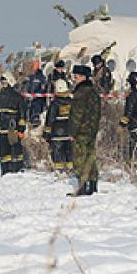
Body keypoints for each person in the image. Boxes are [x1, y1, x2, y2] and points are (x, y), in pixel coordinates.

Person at [67, 65, 101, 196]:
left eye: (76, 77)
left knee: (79, 158)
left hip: (81, 131)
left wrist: (72, 132)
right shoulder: (94, 93)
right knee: (90, 157)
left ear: (83, 77)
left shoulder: (80, 93)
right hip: (92, 131)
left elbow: (77, 115)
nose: (74, 79)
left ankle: (81, 187)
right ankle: (93, 185)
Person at [0, 72, 28, 175]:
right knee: (13, 151)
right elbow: (23, 115)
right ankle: (15, 170)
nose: (3, 85)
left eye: (4, 82)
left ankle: (7, 171)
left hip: (5, 130)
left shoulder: (0, 97)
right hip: (12, 130)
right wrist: (21, 130)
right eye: (2, 83)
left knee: (6, 152)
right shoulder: (17, 97)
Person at [43, 79, 74, 172]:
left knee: (58, 152)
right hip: (70, 132)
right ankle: (70, 169)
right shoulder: (72, 102)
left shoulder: (54, 104)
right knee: (69, 152)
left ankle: (59, 170)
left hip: (57, 133)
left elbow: (50, 119)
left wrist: (46, 133)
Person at [119, 72, 137, 163]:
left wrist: (122, 124)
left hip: (135, 124)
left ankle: (133, 164)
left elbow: (129, 112)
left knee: (134, 146)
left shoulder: (132, 95)